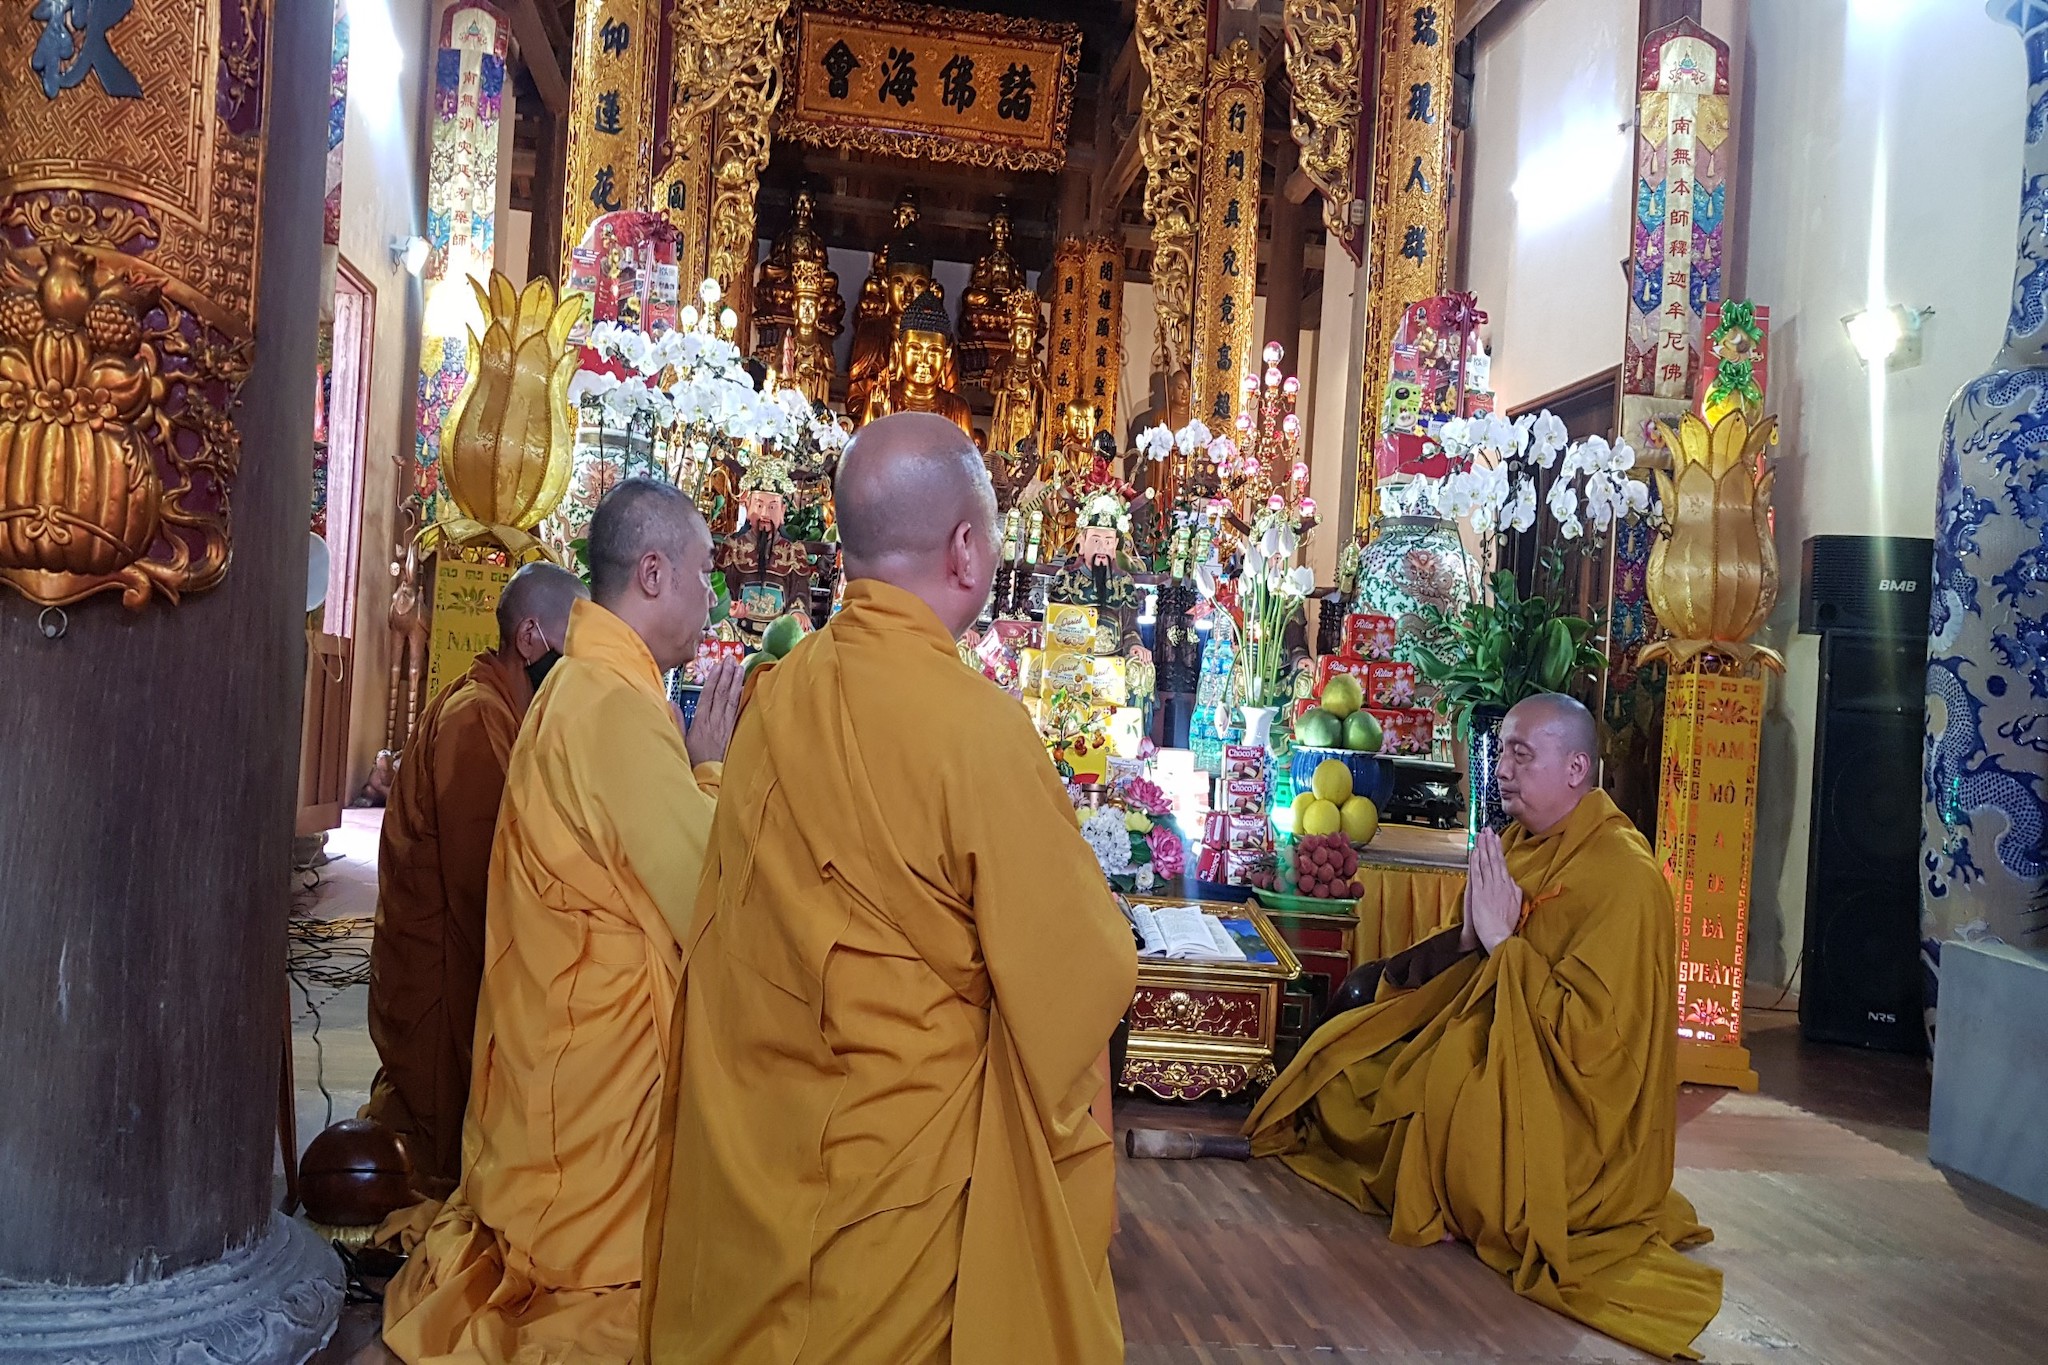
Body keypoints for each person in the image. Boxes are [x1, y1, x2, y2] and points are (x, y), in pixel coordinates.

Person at [641, 412, 1136, 1364]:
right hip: (905, 1170)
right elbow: (1082, 972)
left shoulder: (776, 701)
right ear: (966, 549)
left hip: (764, 1143)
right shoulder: (979, 731)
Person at [381, 479, 745, 1365]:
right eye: (704, 572)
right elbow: (707, 897)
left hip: (563, 1046)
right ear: (652, 573)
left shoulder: (581, 686)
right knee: (598, 1307)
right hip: (587, 1091)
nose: (712, 595)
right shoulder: (612, 707)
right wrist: (711, 772)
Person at [1243, 693, 1722, 1360]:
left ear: (1576, 768)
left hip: (1567, 1111)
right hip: (1489, 1041)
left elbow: (1595, 1042)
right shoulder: (1523, 844)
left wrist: (1504, 946)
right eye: (1502, 754)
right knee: (1343, 1068)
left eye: (1522, 755)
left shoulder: (1625, 879)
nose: (1502, 769)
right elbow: (1474, 959)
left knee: (1439, 1112)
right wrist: (1474, 939)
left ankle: (1446, 1182)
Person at [363, 561, 587, 1200]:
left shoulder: (503, 709)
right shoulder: (475, 718)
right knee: (445, 1156)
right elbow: (485, 882)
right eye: (573, 650)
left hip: (458, 953)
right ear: (530, 639)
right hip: (442, 975)